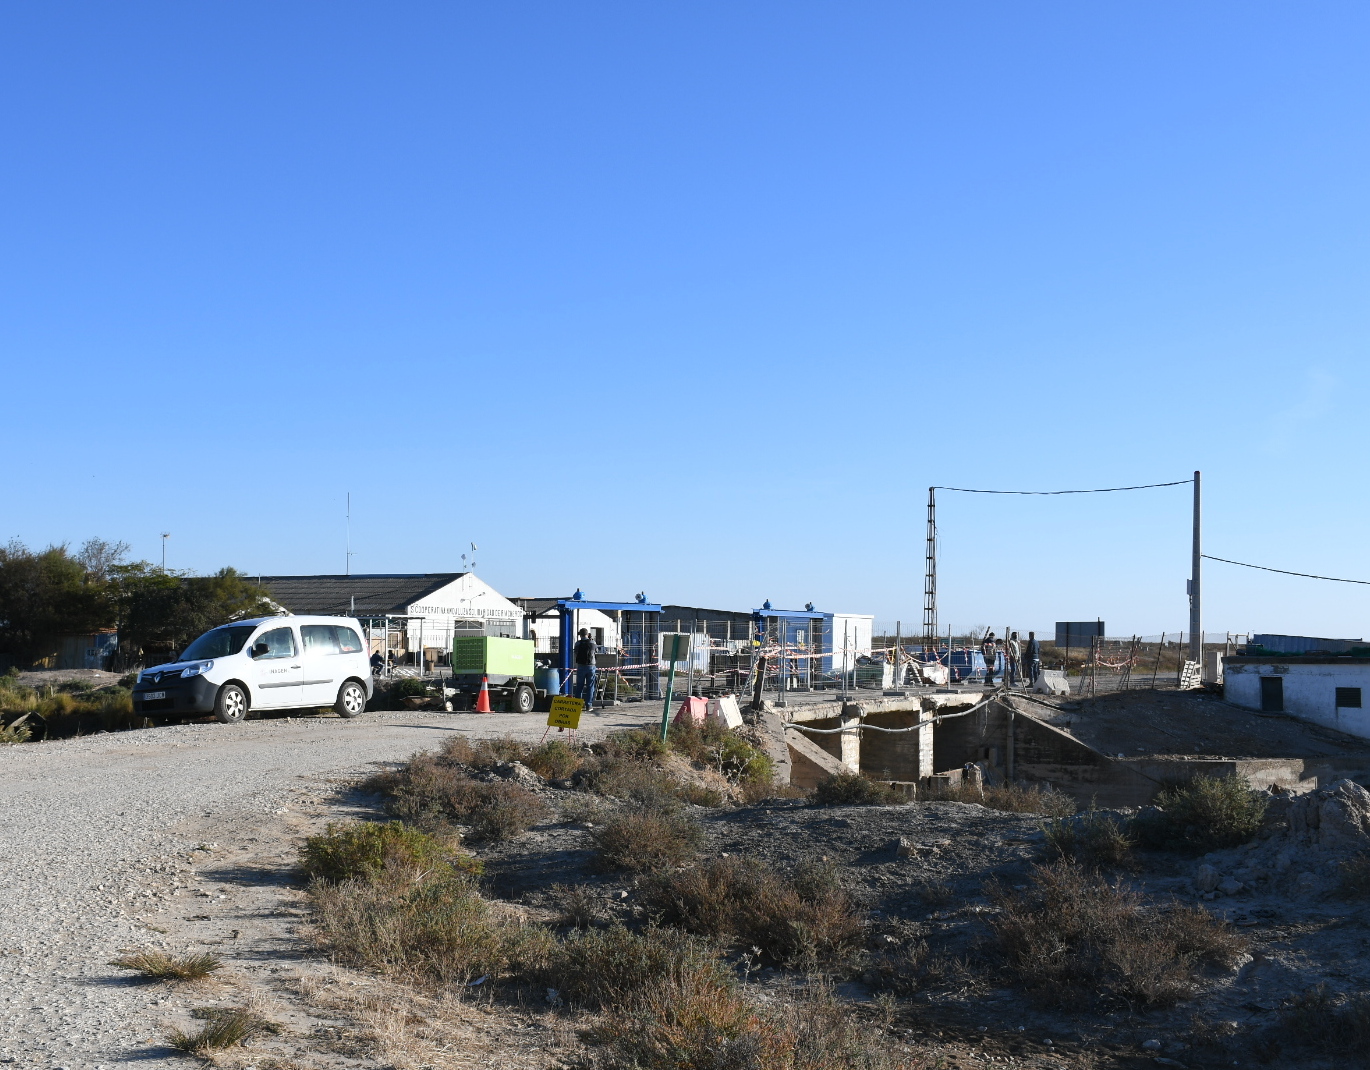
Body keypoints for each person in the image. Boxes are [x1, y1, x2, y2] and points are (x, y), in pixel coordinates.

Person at [573, 628, 598, 710]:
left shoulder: (577, 643)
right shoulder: (592, 642)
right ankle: (589, 705)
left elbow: (575, 653)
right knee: (590, 686)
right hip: (591, 666)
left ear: (580, 635)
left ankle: (577, 705)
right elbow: (596, 651)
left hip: (580, 666)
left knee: (579, 686)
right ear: (588, 634)